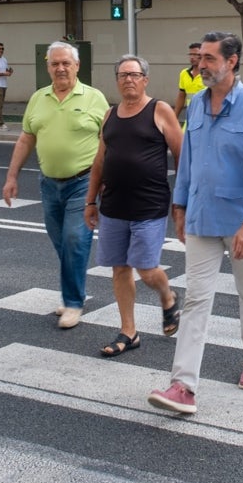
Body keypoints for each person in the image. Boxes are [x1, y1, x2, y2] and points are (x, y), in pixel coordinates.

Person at [148, 31, 243, 416]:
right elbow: (188, 159)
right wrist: (180, 204)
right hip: (203, 217)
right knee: (197, 300)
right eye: (199, 58)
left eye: (208, 58)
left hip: (241, 222)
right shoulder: (197, 105)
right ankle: (183, 386)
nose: (200, 65)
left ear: (231, 61)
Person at [3, 41, 108, 330]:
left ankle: (73, 302)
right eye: (55, 63)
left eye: (66, 63)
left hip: (83, 183)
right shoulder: (38, 98)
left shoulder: (94, 98)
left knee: (75, 240)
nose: (60, 68)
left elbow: (108, 141)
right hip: (49, 184)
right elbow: (26, 138)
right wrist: (11, 177)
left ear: (77, 66)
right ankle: (74, 290)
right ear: (47, 67)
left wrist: (105, 180)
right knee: (62, 243)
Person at [84, 55, 184, 357]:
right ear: (117, 79)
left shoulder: (160, 110)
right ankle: (129, 331)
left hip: (149, 204)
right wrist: (91, 200)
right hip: (114, 204)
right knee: (119, 268)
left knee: (146, 269)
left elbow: (182, 158)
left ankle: (167, 297)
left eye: (135, 74)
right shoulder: (110, 115)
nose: (128, 79)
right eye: (123, 74)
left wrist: (181, 202)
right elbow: (100, 160)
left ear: (145, 79)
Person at [173, 41, 205, 127]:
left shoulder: (208, 74)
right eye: (190, 54)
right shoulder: (184, 73)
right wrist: (174, 117)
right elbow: (181, 96)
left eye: (195, 55)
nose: (192, 57)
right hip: (190, 117)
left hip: (205, 117)